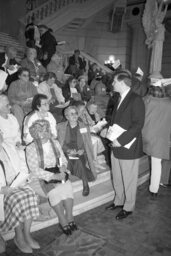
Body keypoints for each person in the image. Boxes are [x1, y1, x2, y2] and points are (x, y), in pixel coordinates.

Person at [105, 71, 145, 220]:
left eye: (114, 81)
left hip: (128, 146)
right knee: (117, 176)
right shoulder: (119, 97)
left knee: (128, 178)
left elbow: (137, 125)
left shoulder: (136, 99)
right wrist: (108, 132)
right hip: (115, 144)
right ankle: (119, 200)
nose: (112, 84)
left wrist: (120, 140)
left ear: (122, 83)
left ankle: (128, 206)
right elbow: (117, 121)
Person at [26, 119, 77, 235]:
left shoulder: (55, 142)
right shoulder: (31, 148)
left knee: (67, 187)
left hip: (57, 172)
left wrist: (63, 166)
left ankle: (70, 216)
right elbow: (35, 170)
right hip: (40, 178)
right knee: (54, 192)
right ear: (34, 133)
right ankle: (62, 219)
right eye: (40, 132)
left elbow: (63, 159)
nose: (43, 134)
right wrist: (54, 176)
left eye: (45, 131)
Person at [0, 138, 40, 254]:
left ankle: (27, 234)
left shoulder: (9, 146)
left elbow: (22, 163)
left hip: (17, 182)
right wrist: (1, 189)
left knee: (30, 194)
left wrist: (24, 177)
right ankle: (19, 236)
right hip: (3, 189)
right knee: (18, 199)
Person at [57, 106, 97, 196]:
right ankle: (85, 184)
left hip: (80, 152)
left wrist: (82, 150)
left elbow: (87, 142)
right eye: (72, 114)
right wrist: (68, 150)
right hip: (66, 153)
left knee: (78, 160)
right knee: (77, 161)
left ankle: (85, 184)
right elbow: (59, 143)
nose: (74, 115)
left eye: (75, 113)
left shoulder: (84, 126)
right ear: (66, 116)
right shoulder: (60, 127)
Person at [142, 81, 171, 197]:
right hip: (161, 137)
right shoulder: (169, 102)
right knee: (156, 163)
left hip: (145, 135)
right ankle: (154, 190)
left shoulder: (146, 100)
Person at [0, 94, 28, 174]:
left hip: (16, 145)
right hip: (5, 148)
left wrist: (18, 142)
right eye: (7, 105)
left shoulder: (12, 117)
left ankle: (24, 178)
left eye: (9, 104)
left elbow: (17, 133)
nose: (10, 107)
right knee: (14, 158)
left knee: (23, 156)